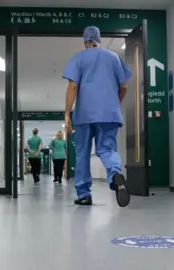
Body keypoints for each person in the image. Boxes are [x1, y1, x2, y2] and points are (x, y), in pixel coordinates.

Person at [62, 26, 133, 207]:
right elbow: (124, 86)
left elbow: (72, 86)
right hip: (109, 113)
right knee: (107, 149)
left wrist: (67, 114)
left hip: (84, 114)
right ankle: (115, 174)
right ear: (98, 40)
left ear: (85, 41)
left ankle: (84, 194)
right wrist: (114, 103)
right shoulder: (113, 58)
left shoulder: (78, 58)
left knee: (82, 153)